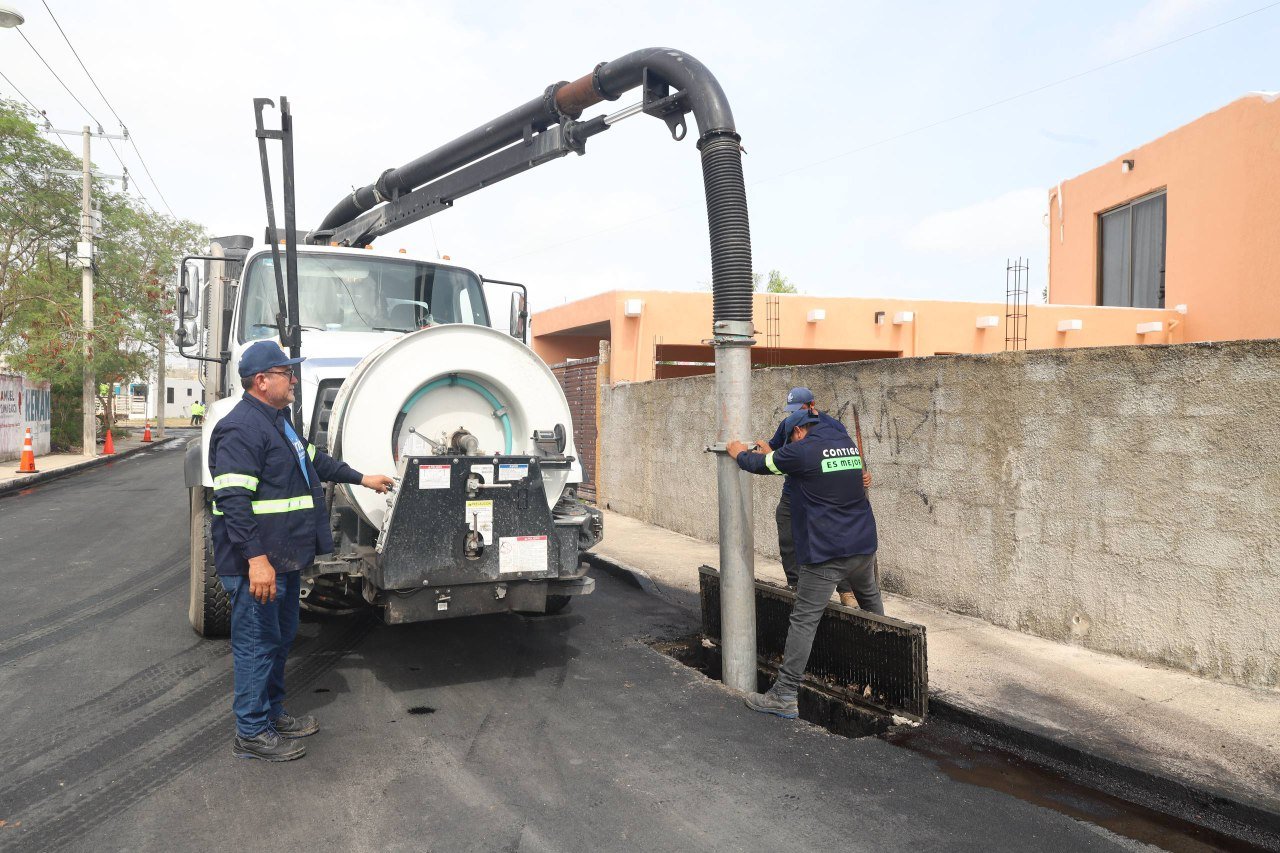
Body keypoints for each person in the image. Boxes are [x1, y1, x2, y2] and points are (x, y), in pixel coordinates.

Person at [210, 341, 394, 761]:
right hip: (258, 564)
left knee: (277, 640)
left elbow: (315, 461)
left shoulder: (278, 422)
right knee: (257, 645)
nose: (293, 379)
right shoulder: (241, 428)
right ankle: (251, 732)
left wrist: (362, 478)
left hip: (286, 559)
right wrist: (256, 561)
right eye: (285, 372)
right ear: (261, 381)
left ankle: (272, 713)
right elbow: (233, 502)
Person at [727, 407, 882, 719]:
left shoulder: (801, 451)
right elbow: (808, 464)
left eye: (789, 440)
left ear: (797, 433)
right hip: (863, 547)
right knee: (873, 610)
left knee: (804, 621)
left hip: (828, 552)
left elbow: (761, 463)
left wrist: (738, 453)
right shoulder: (843, 441)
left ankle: (784, 694)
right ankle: (883, 678)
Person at [758, 388, 871, 607]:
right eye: (790, 411)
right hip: (794, 490)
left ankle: (846, 591)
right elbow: (775, 449)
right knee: (787, 530)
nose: (793, 415)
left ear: (812, 405)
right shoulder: (788, 424)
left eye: (798, 409)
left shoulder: (833, 426)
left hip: (824, 494)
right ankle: (797, 585)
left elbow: (848, 455)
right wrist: (766, 450)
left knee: (834, 539)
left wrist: (861, 475)